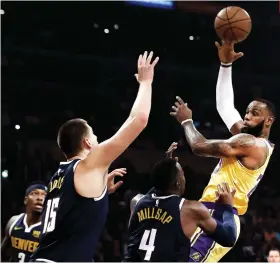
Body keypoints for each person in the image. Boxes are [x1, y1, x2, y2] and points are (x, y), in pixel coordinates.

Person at [30, 51, 159, 262]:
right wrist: (146, 83)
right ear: (87, 143)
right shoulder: (89, 163)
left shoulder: (58, 177)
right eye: (95, 137)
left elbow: (70, 219)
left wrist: (100, 190)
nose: (98, 141)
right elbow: (139, 120)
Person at [170, 81, 275, 262]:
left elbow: (198, 146)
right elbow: (225, 107)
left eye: (255, 114)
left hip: (219, 213)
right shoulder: (248, 139)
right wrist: (225, 65)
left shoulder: (252, 144)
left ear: (269, 121)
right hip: (208, 210)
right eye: (247, 112)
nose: (247, 116)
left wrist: (187, 121)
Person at [124, 146, 238, 262]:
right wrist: (227, 207)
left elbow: (157, 188)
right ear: (178, 183)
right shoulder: (190, 209)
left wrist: (165, 170)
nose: (185, 178)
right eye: (182, 174)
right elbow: (229, 238)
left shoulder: (136, 201)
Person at [1, 183, 47, 262]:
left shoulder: (50, 228)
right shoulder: (13, 221)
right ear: (26, 200)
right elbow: (2, 252)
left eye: (44, 195)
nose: (40, 198)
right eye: (35, 194)